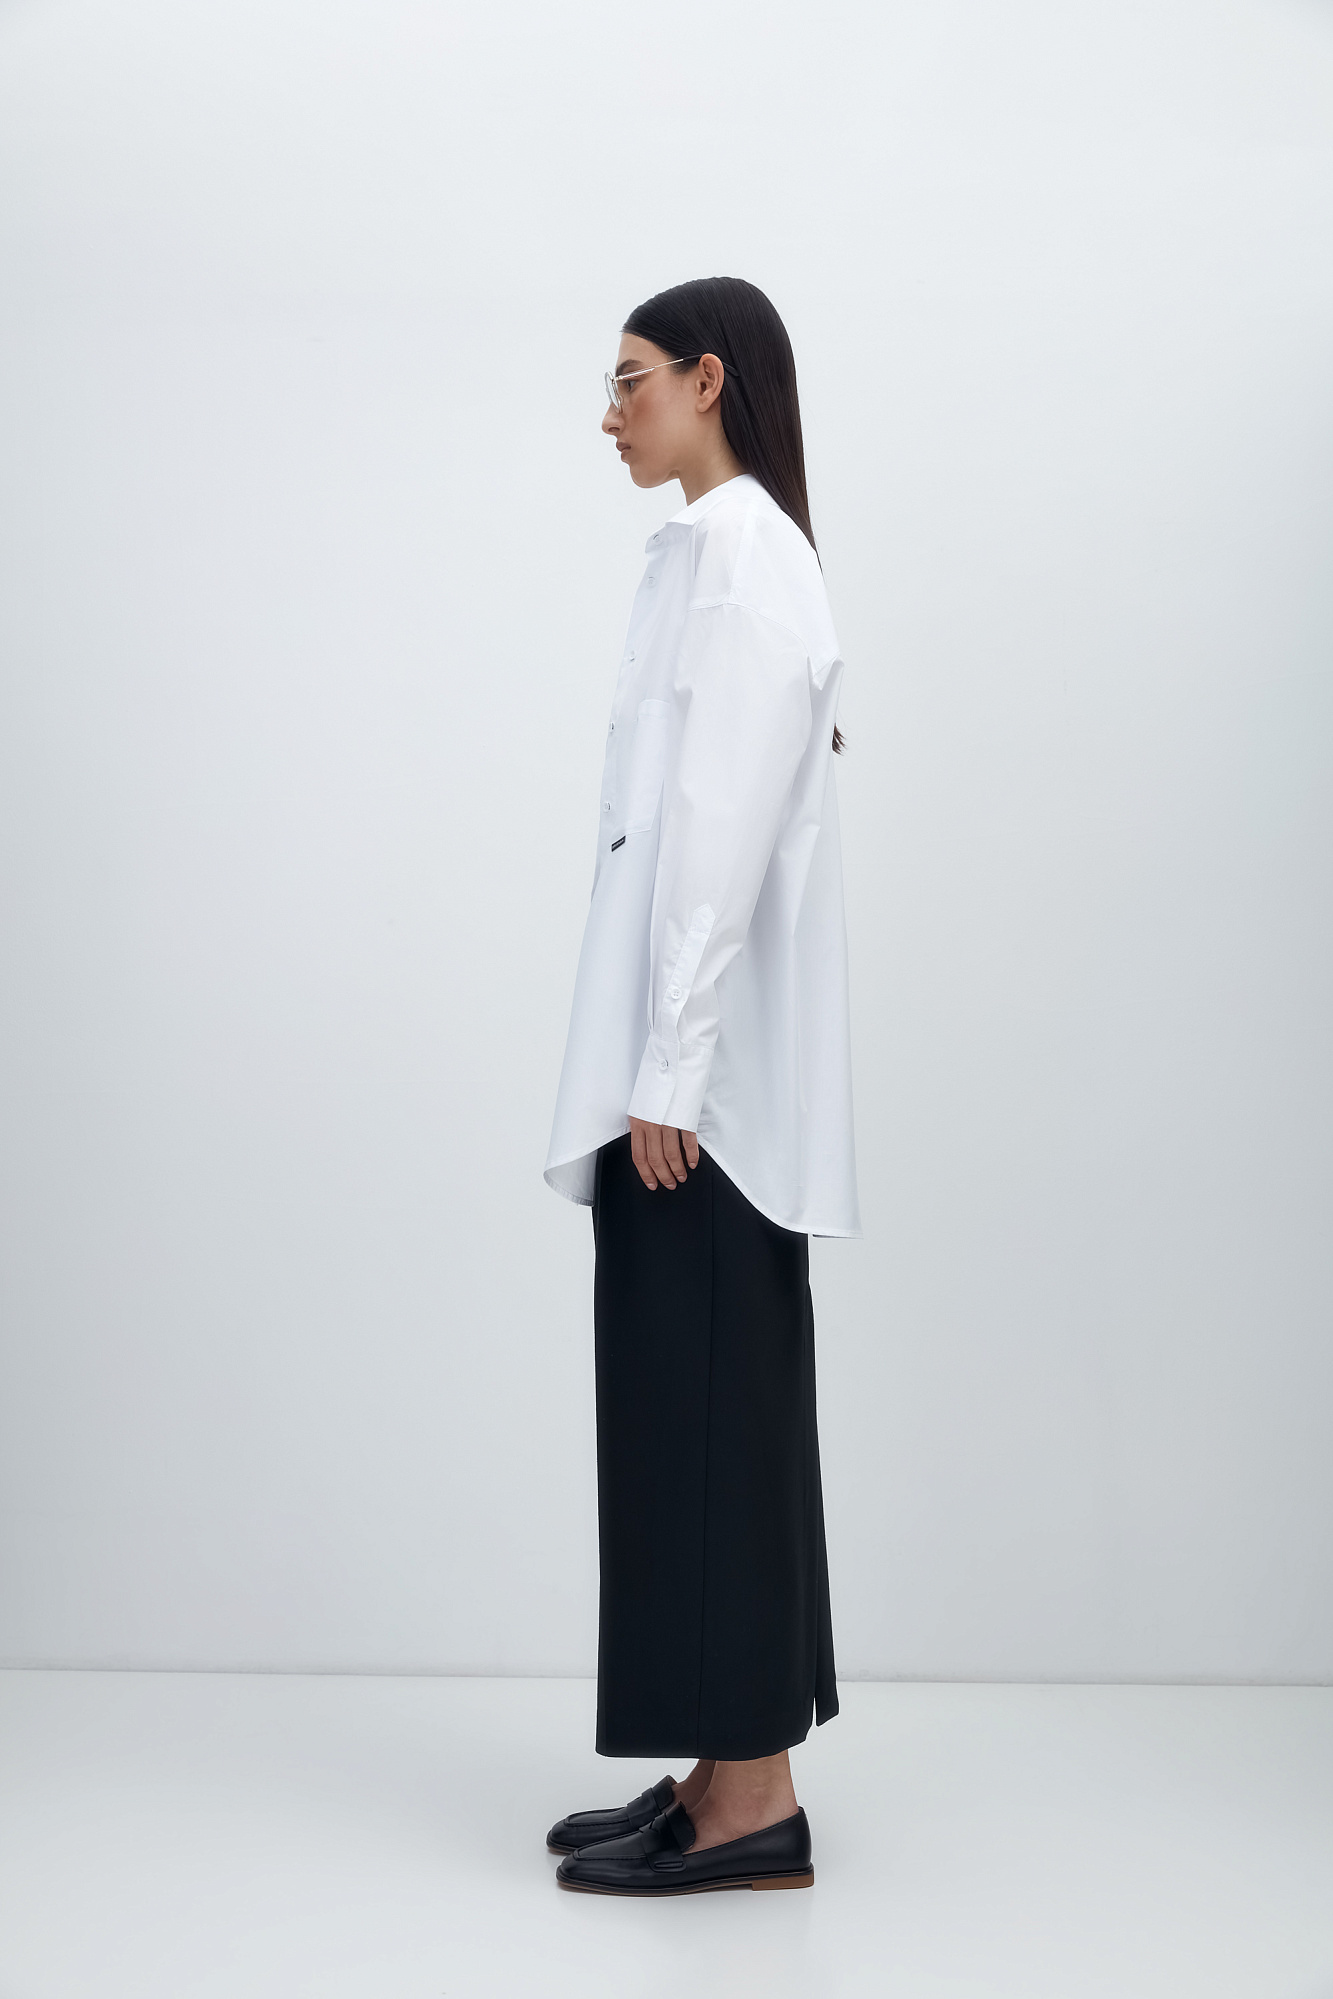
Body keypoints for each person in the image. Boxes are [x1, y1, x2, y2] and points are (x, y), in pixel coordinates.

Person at [542, 276, 859, 1896]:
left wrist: (668, 1066)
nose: (609, 413)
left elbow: (719, 834)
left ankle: (755, 1808)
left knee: (716, 1418)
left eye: (630, 380)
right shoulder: (704, 554)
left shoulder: (743, 562)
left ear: (708, 379)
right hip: (674, 1081)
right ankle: (719, 1771)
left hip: (704, 1100)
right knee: (692, 1416)